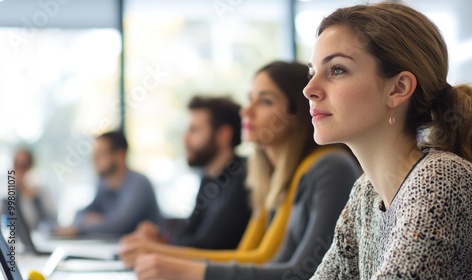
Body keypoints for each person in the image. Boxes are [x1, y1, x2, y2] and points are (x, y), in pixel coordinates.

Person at [303, 3, 472, 279]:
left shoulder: (444, 180)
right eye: (312, 72)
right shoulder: (366, 193)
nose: (309, 89)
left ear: (398, 88)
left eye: (336, 70)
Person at [122, 61, 361, 280]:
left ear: (297, 114)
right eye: (250, 99)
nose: (246, 111)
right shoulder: (272, 178)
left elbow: (299, 273)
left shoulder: (330, 166)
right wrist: (166, 256)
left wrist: (181, 266)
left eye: (265, 101)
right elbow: (252, 255)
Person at [123, 96, 251, 250]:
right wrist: (160, 238)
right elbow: (187, 234)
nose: (185, 138)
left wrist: (157, 246)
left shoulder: (242, 178)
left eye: (194, 130)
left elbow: (209, 246)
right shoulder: (210, 178)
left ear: (223, 135)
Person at [54, 131, 161, 237]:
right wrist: (89, 222)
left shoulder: (138, 183)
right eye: (93, 155)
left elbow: (118, 225)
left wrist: (82, 228)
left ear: (120, 155)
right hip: (113, 248)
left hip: (147, 250)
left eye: (100, 154)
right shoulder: (103, 184)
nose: (94, 160)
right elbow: (81, 214)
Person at [6, 149, 56, 230]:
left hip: (40, 237)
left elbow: (52, 219)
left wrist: (34, 199)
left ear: (31, 166)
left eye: (23, 166)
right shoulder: (11, 192)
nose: (19, 171)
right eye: (16, 165)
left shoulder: (41, 189)